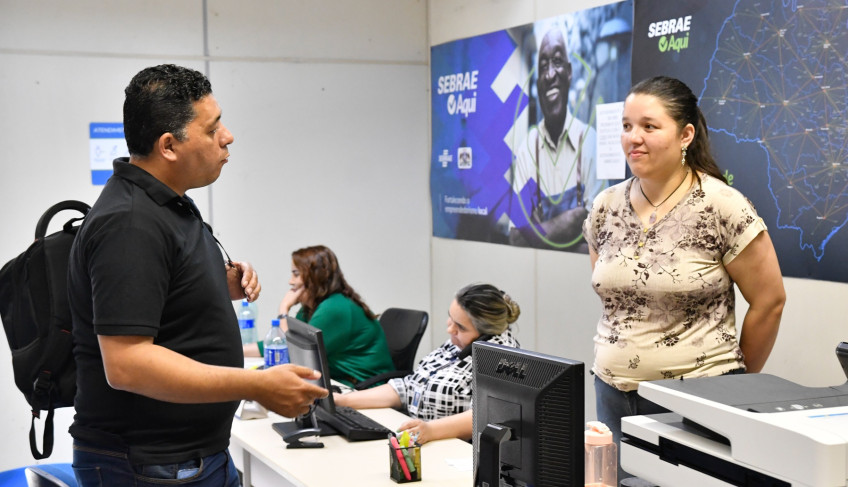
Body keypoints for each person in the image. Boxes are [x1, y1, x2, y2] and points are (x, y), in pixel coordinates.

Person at [68, 64, 328, 486]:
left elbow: (159, 297)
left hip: (188, 458)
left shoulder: (166, 205)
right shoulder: (130, 223)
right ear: (169, 146)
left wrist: (212, 284)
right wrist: (256, 385)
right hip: (150, 465)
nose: (227, 136)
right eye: (212, 129)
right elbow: (127, 363)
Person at [582, 75, 786, 480]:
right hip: (612, 391)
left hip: (694, 398)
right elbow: (616, 299)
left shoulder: (722, 205)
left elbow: (770, 301)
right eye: (626, 126)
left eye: (649, 126)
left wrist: (735, 385)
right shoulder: (605, 206)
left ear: (685, 135)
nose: (633, 138)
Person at [334, 283, 521, 444]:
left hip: (452, 451)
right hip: (418, 437)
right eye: (451, 318)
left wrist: (430, 430)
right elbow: (408, 386)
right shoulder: (461, 343)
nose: (450, 328)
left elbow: (484, 416)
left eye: (460, 327)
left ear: (486, 333)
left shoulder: (501, 360)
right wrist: (345, 401)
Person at [509, 22, 602, 249]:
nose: (550, 74)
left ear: (569, 72)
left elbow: (600, 236)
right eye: (543, 66)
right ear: (538, 80)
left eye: (557, 62)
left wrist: (537, 232)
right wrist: (573, 220)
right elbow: (516, 236)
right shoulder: (528, 148)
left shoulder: (590, 141)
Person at [247, 245, 394, 388]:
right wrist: (233, 353)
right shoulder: (312, 307)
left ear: (315, 277)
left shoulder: (335, 308)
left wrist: (283, 310)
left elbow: (294, 355)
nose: (290, 281)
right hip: (342, 383)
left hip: (366, 388)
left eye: (296, 274)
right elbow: (275, 344)